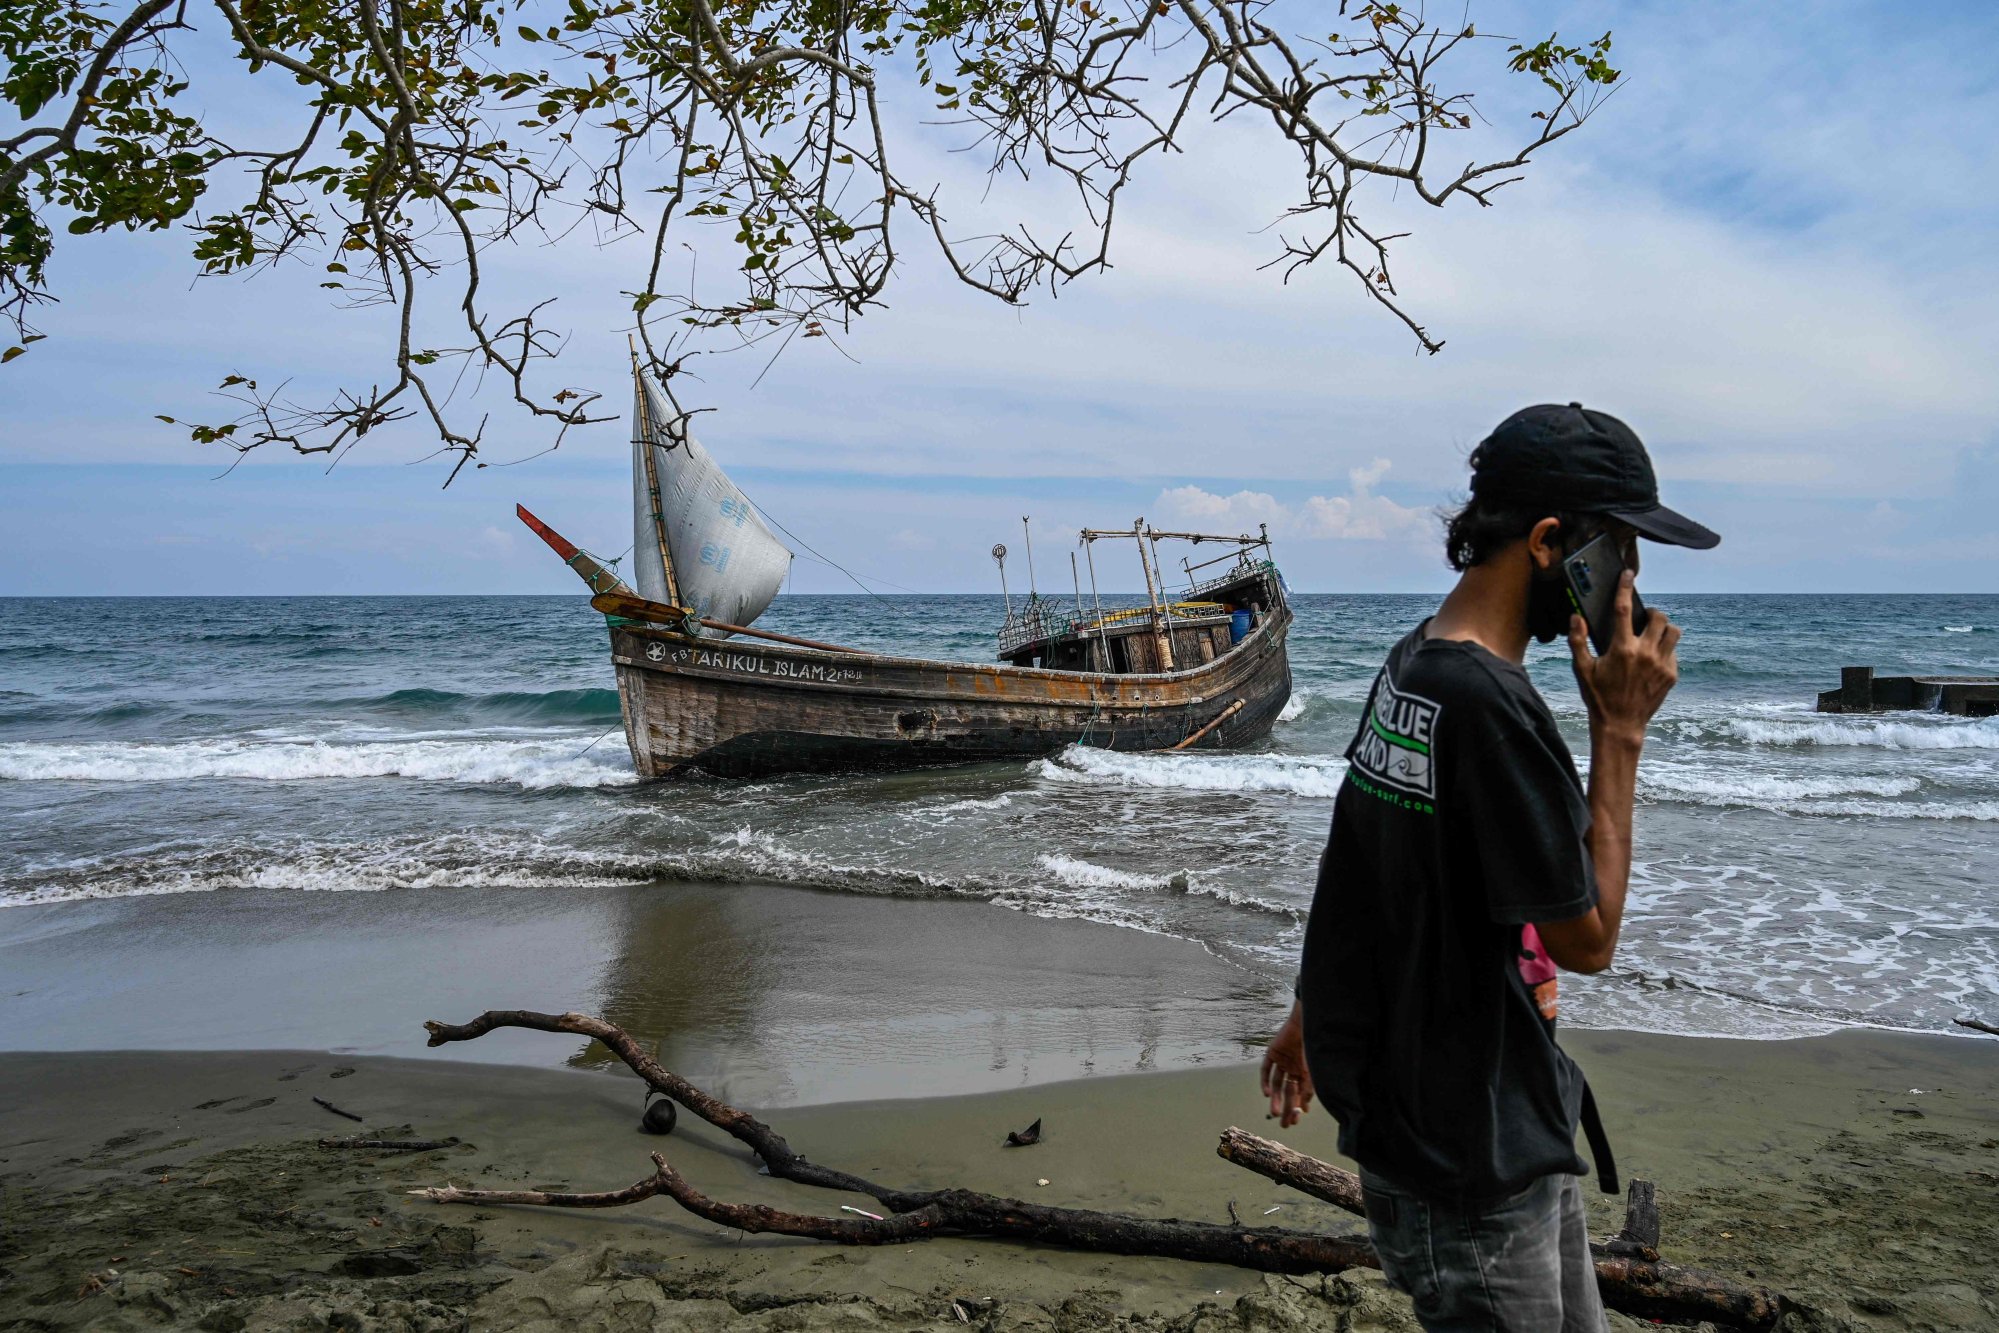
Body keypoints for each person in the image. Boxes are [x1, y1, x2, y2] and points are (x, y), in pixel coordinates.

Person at [1259, 403, 1718, 1332]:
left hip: (1493, 1126)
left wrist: (1309, 1012)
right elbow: (1585, 938)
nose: (1628, 581)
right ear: (1550, 542)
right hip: (1464, 1157)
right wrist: (1620, 731)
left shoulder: (1415, 662)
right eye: (1618, 550)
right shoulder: (1489, 709)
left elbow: (1360, 865)